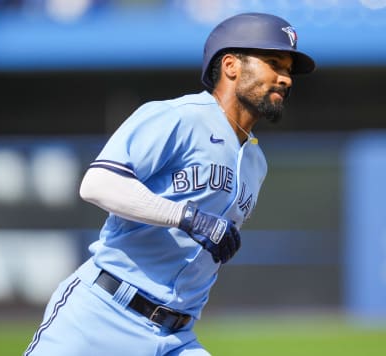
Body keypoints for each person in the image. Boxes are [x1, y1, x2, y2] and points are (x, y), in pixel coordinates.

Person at [24, 12, 315, 356]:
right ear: (231, 65)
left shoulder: (256, 163)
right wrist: (186, 216)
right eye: (274, 63)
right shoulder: (178, 117)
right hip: (103, 317)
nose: (286, 78)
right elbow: (97, 183)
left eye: (288, 70)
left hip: (176, 338)